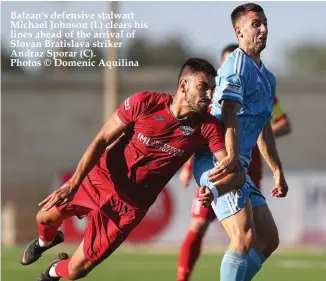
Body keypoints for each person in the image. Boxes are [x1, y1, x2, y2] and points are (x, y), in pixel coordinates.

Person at [19, 58, 246, 281]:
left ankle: (53, 271)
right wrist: (74, 183)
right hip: (100, 179)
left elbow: (233, 172)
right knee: (44, 217)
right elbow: (102, 139)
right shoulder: (144, 102)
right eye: (203, 87)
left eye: (212, 89)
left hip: (128, 208)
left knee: (76, 271)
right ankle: (44, 243)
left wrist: (216, 188)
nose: (210, 94)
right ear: (183, 85)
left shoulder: (207, 127)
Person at [177, 43, 291, 281]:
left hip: (242, 169)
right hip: (218, 164)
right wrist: (190, 166)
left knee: (268, 239)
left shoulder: (264, 82)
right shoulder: (215, 92)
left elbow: (267, 127)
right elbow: (204, 126)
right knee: (238, 235)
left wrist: (277, 169)